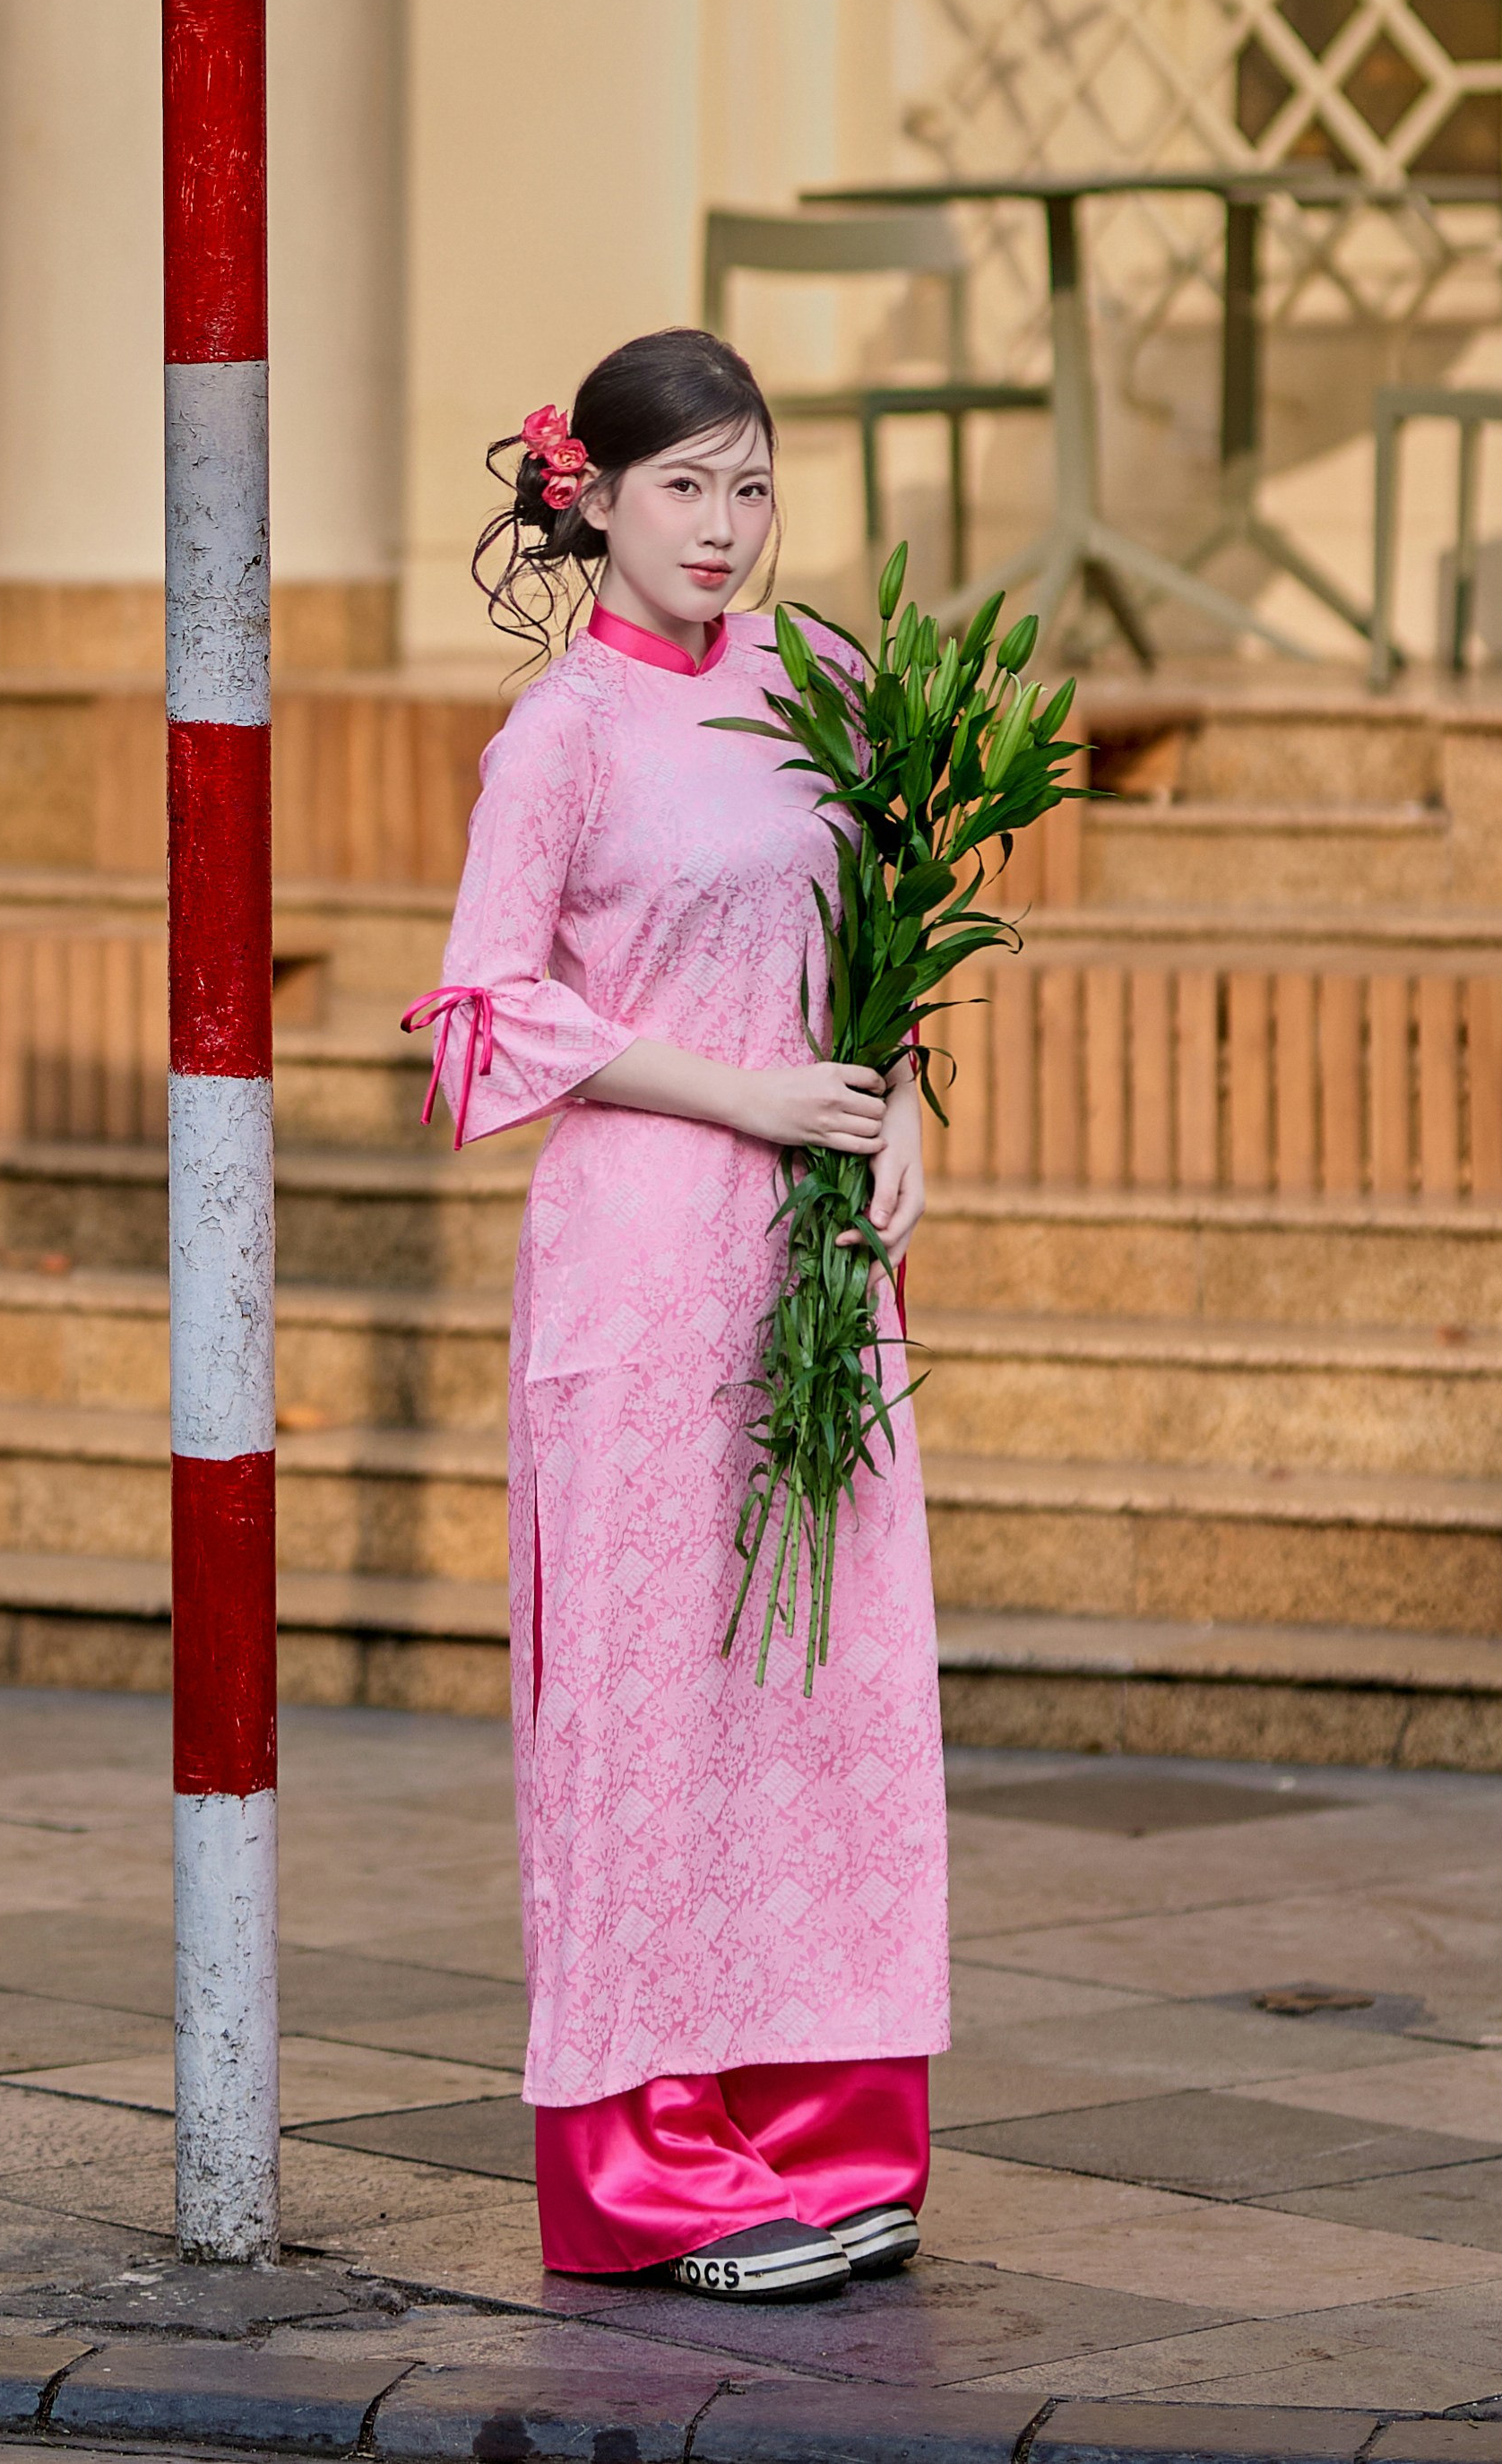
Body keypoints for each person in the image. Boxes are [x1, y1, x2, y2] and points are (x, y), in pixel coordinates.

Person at [405, 325, 945, 2304]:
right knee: (643, 1707)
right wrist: (743, 1094)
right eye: (685, 488)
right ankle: (647, 2173)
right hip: (639, 1262)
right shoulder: (556, 737)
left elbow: (881, 954)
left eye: (752, 486)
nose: (724, 528)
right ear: (597, 502)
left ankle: (818, 2125)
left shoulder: (828, 689)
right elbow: (481, 1014)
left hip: (814, 1253)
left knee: (824, 1683)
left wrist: (901, 1140)